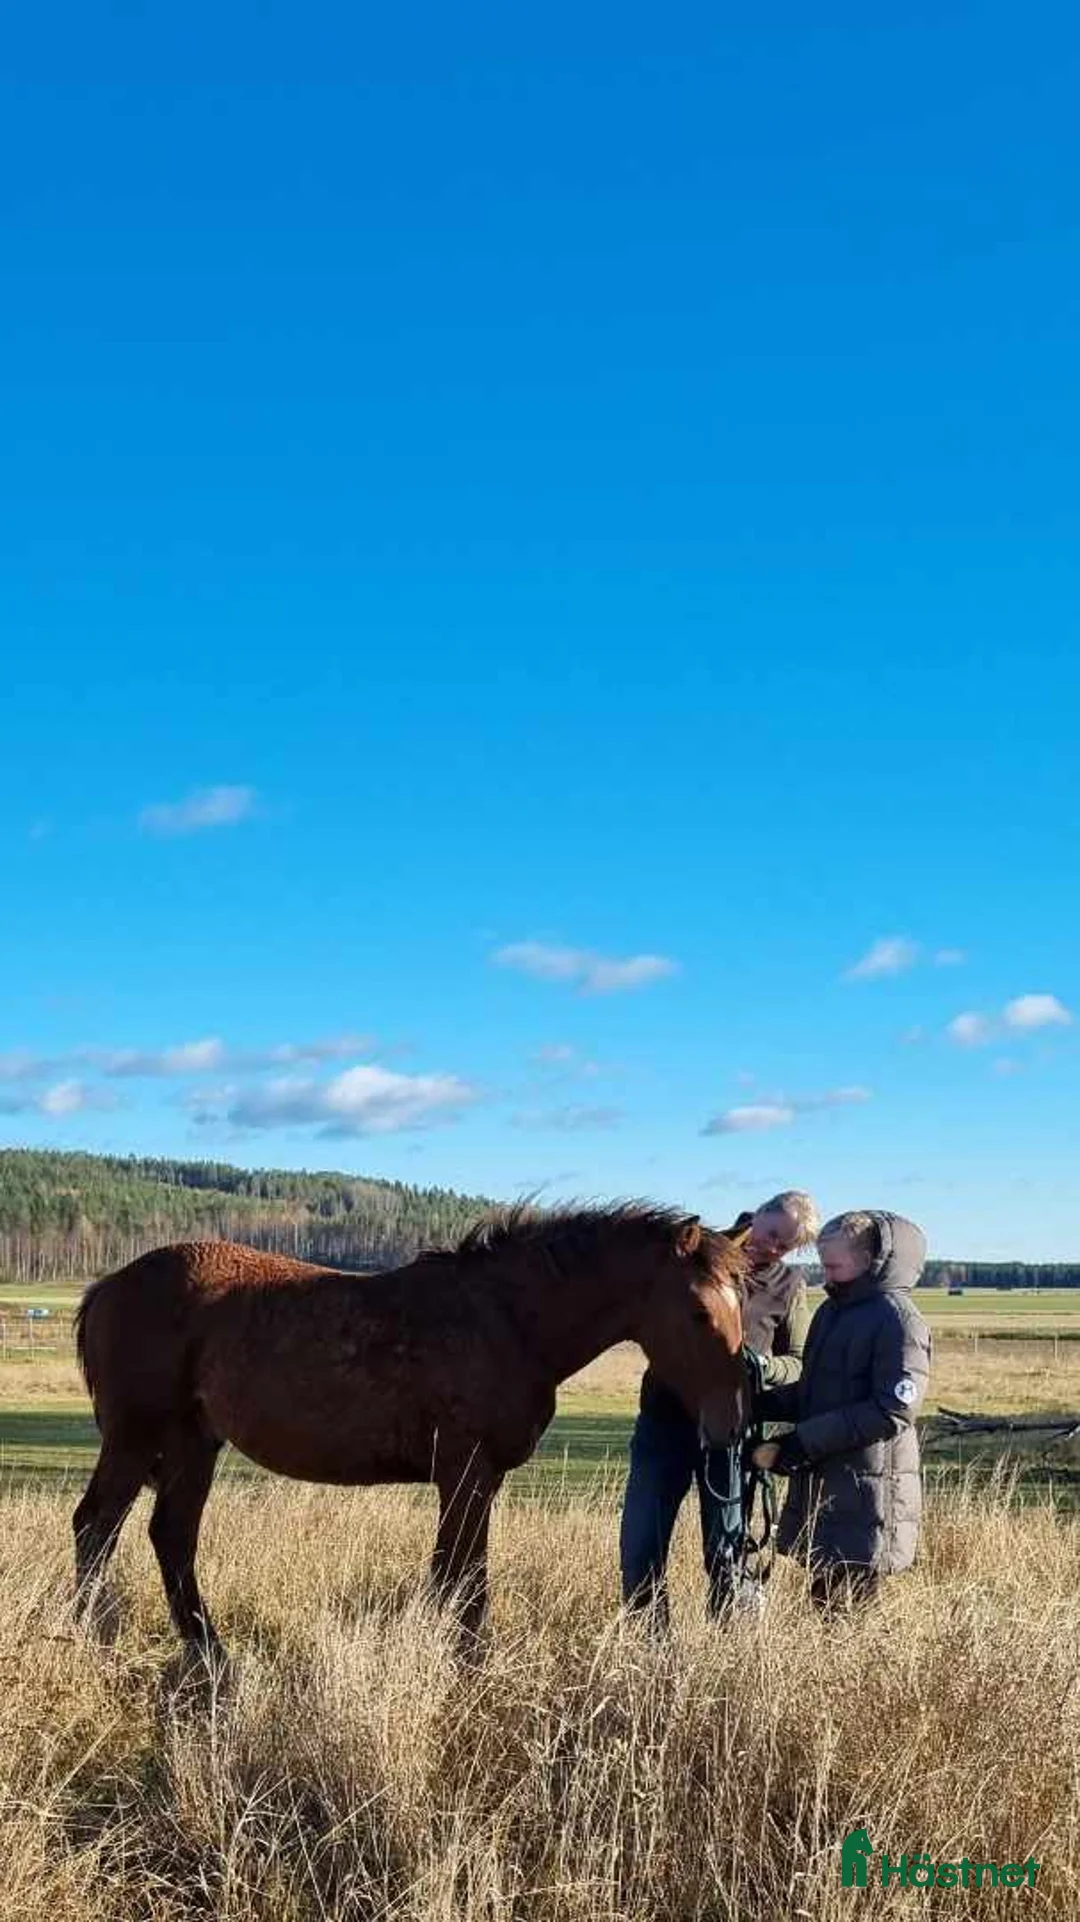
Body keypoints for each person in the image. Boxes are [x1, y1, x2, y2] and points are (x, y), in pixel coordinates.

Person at [620, 1189, 820, 1623]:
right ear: (759, 1213)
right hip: (665, 1420)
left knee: (729, 1553)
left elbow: (798, 1363)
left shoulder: (789, 1286)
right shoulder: (694, 1255)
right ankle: (647, 1646)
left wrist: (763, 1367)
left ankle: (731, 1652)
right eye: (770, 1233)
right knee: (641, 1546)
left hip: (734, 1430)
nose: (771, 1247)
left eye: (783, 1245)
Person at [752, 1211, 931, 1610]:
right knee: (825, 1602)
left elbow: (893, 1410)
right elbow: (816, 1390)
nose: (825, 1274)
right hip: (827, 1486)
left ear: (869, 1262)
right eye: (822, 1264)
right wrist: (758, 1406)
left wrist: (804, 1441)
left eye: (833, 1265)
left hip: (869, 1493)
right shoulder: (831, 1313)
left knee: (848, 1609)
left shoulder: (898, 1320)